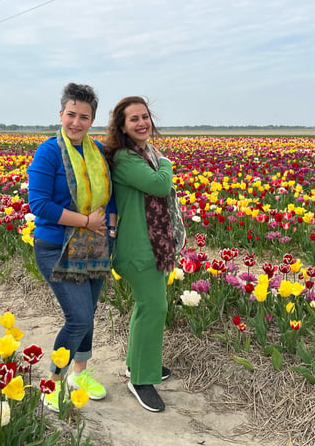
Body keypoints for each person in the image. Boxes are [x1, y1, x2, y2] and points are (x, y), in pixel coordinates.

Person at [27, 82, 116, 412]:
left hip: (95, 244)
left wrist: (110, 231)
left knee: (88, 315)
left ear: (92, 120)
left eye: (84, 117)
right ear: (61, 114)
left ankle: (80, 375)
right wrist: (85, 222)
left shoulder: (98, 153)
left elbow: (112, 195)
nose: (76, 122)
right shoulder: (49, 151)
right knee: (78, 318)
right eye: (71, 115)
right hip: (55, 245)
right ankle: (53, 383)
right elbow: (39, 203)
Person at [103, 96, 184, 413]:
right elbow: (159, 185)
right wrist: (166, 162)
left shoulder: (143, 152)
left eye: (145, 116)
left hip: (155, 244)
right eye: (133, 118)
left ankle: (138, 365)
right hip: (138, 248)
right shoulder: (125, 159)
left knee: (146, 307)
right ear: (121, 126)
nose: (141, 123)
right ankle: (141, 380)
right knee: (154, 307)